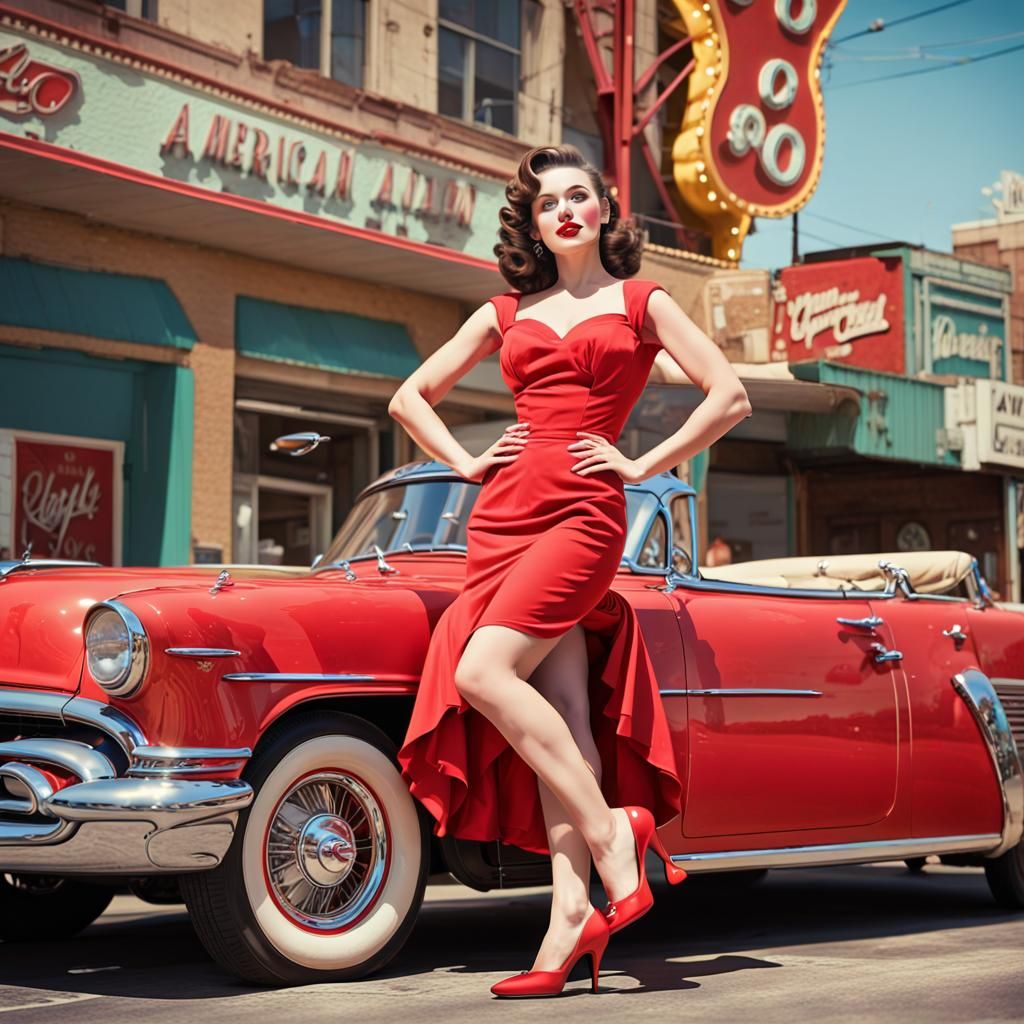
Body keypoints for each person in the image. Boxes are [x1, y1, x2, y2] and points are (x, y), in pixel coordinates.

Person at [388, 144, 751, 998]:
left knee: (482, 670)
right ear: (535, 223)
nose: (565, 211)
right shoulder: (507, 312)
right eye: (549, 202)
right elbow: (408, 397)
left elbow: (728, 394)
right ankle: (566, 925)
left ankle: (614, 836)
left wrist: (641, 464)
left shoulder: (640, 300)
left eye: (579, 196)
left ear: (603, 210)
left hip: (584, 517)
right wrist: (466, 461)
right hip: (502, 515)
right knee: (565, 718)